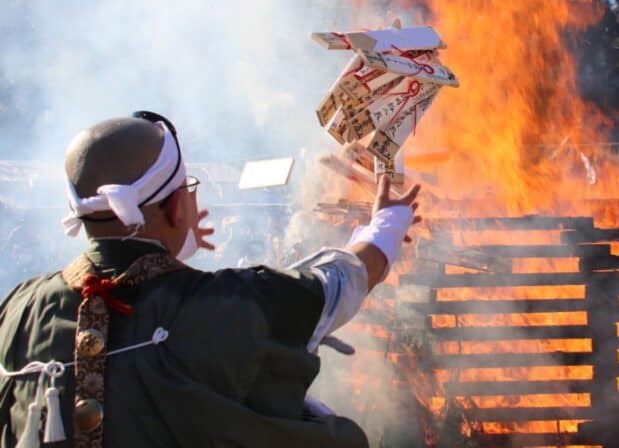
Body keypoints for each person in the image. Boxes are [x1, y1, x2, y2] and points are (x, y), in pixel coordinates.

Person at [0, 113, 419, 447]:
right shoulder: (222, 306)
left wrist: (173, 248)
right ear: (176, 208)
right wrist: (387, 222)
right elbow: (340, 281)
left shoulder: (20, 307)